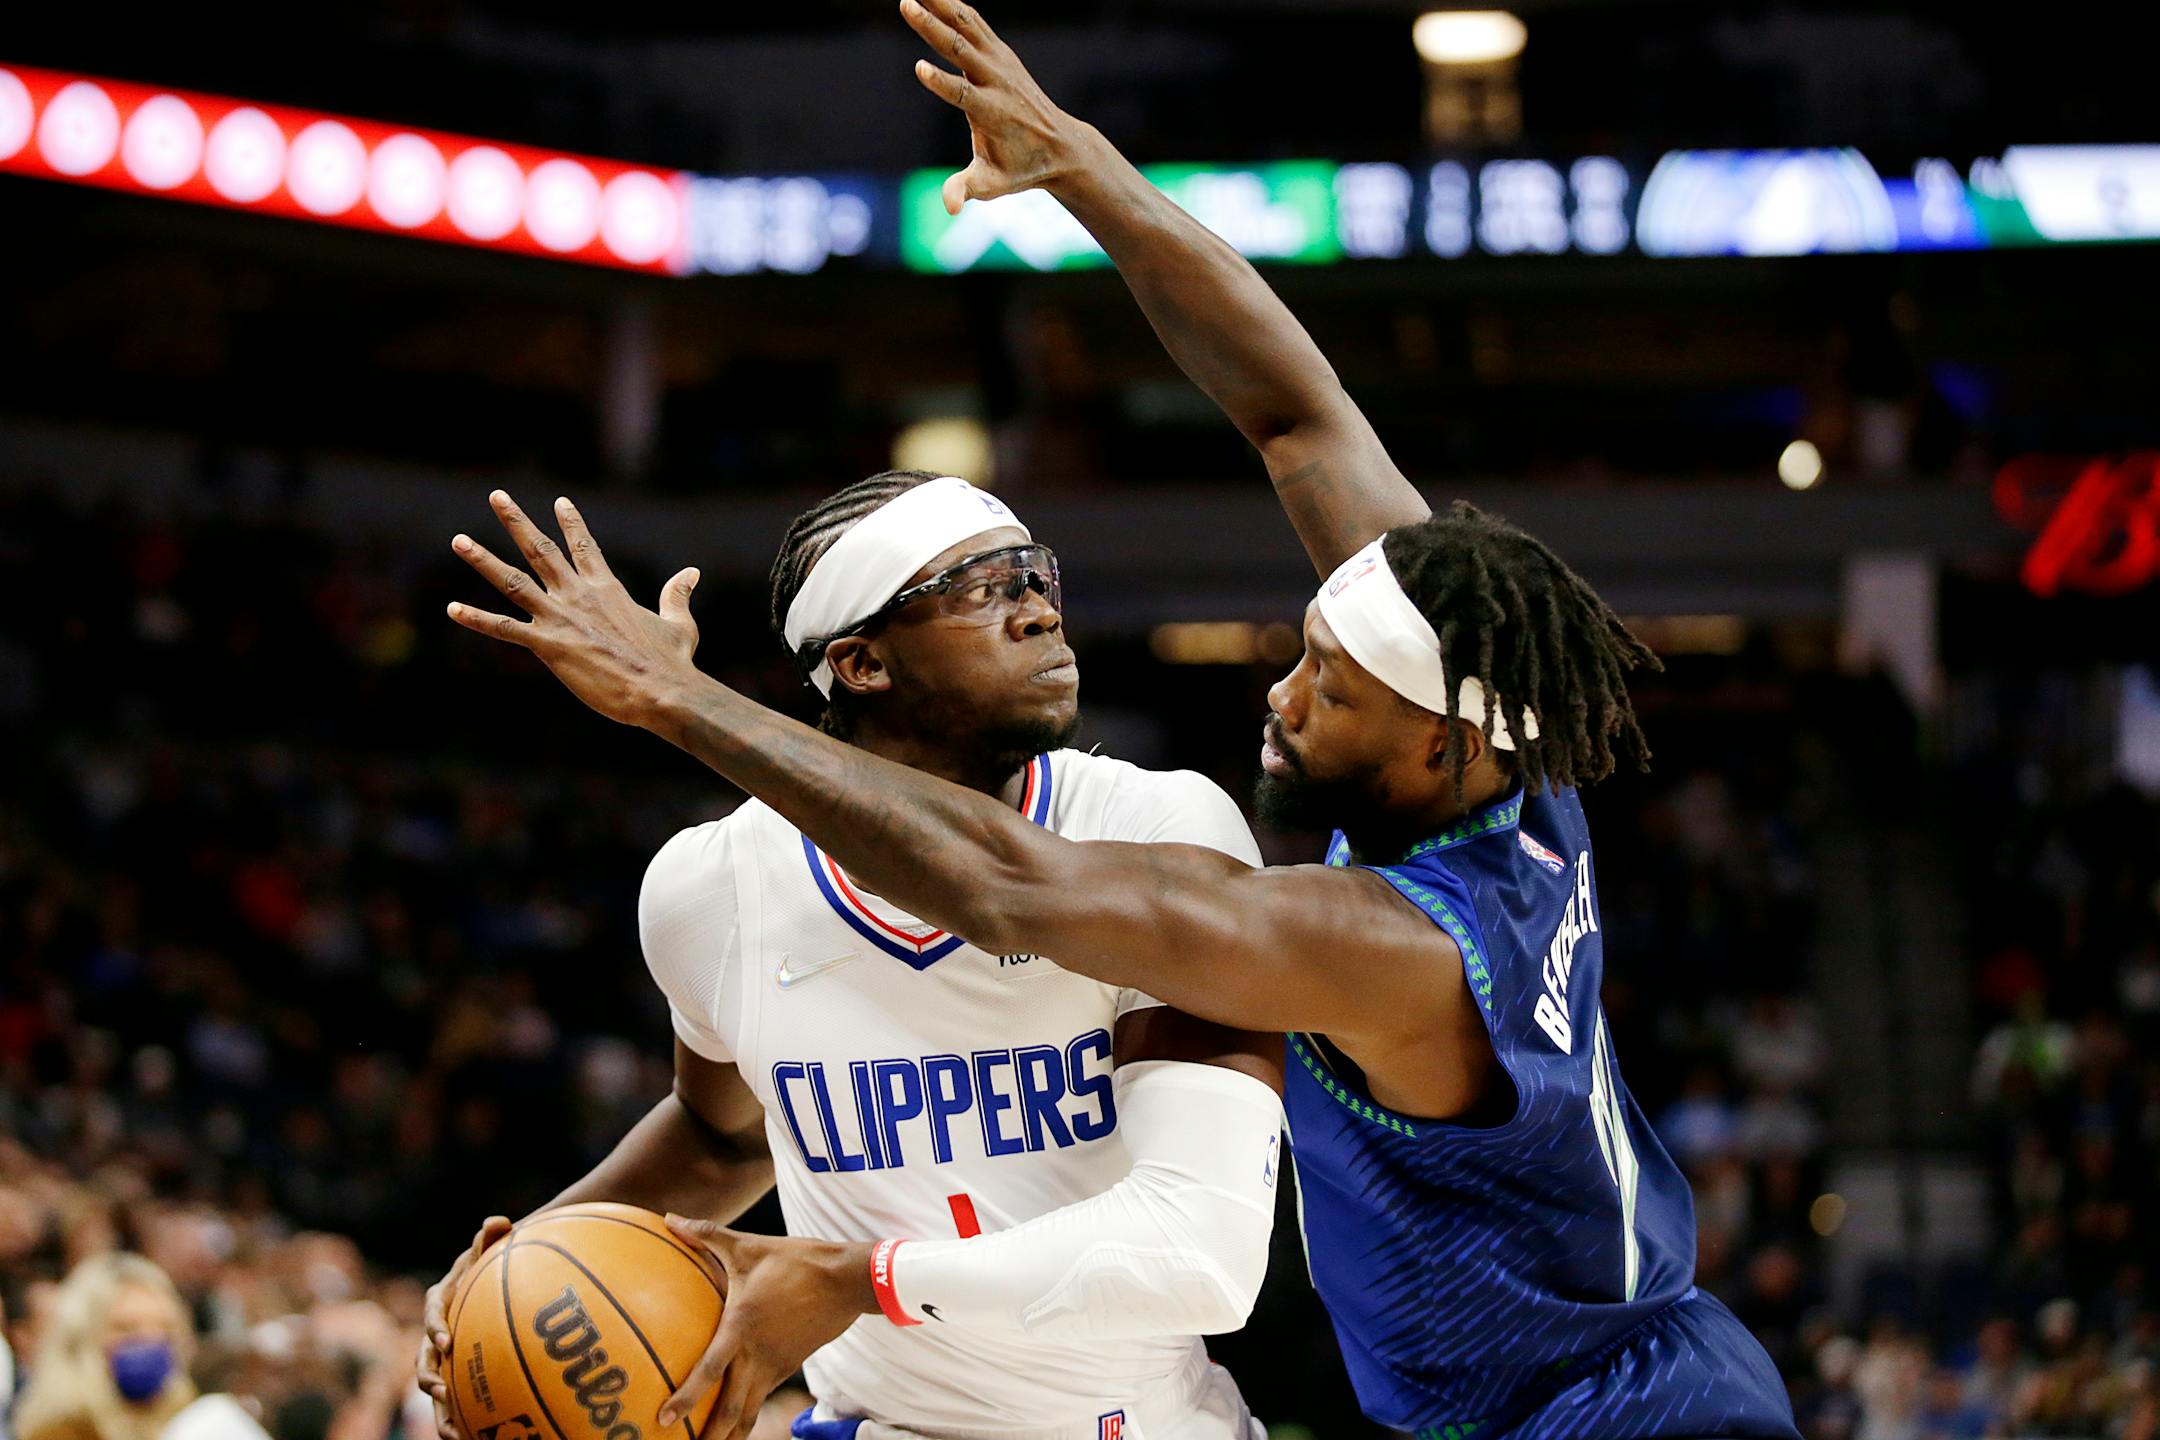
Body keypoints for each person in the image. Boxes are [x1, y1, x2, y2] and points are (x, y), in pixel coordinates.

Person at [443, 3, 1809, 1436]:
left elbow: (1002, 883)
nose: (1279, 696)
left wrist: (678, 698)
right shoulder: (1484, 721)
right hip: (1616, 1354)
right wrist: (1088, 171)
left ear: (1439, 750)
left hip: (1586, 1416)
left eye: (1327, 688)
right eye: (1304, 649)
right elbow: (1295, 415)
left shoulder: (1388, 946)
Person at [417, 471, 1287, 1440]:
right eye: (984, 587)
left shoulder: (1157, 830)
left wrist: (858, 1282)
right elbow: (724, 1138)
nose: (1040, 611)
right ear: (864, 664)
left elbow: (1199, 1257)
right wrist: (522, 1259)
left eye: (1037, 576)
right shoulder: (713, 890)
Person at [13, 1255, 197, 1440]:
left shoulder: (192, 1422)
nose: (150, 1339)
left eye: (164, 1327)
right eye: (126, 1328)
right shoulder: (58, 1433)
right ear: (83, 1340)